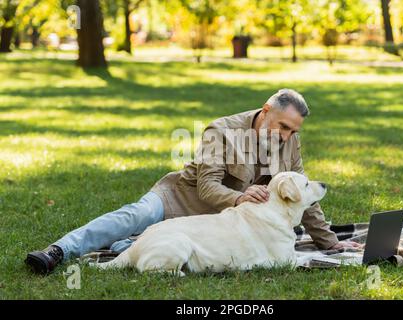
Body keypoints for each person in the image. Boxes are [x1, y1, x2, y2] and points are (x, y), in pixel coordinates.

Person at [25, 88, 359, 275]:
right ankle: (59, 250)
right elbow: (207, 186)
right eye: (283, 126)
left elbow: (301, 197)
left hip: (215, 228)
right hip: (180, 199)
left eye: (293, 131)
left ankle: (128, 248)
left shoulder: (290, 145)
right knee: (134, 216)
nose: (286, 136)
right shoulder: (222, 130)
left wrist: (328, 242)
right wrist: (241, 198)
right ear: (266, 109)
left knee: (145, 242)